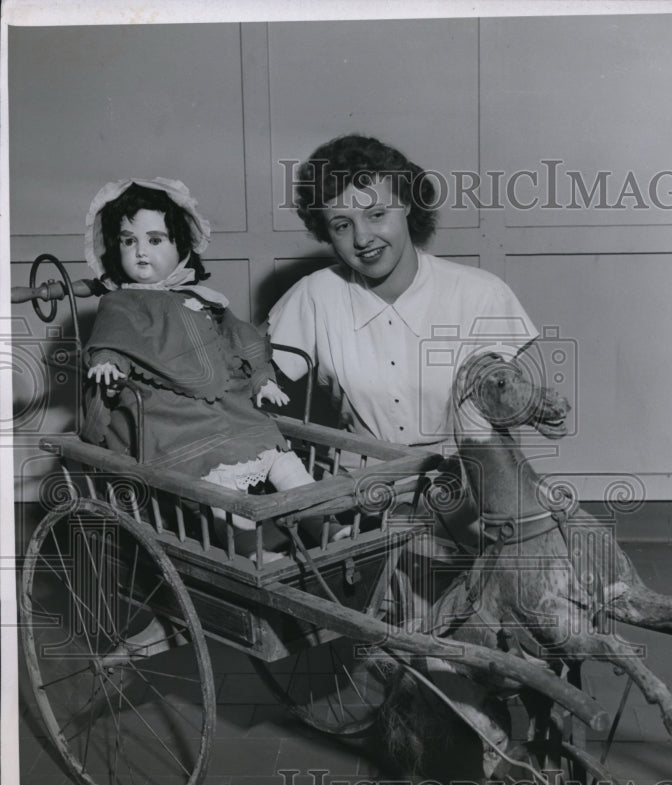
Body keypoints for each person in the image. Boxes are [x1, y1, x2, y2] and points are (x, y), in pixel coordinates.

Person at [83, 177, 326, 546]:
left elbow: (243, 338)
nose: (140, 252)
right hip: (170, 414)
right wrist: (107, 362)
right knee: (216, 475)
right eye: (128, 241)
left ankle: (323, 524)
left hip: (228, 406)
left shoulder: (201, 298)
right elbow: (112, 340)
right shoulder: (121, 303)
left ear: (181, 245)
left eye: (154, 239)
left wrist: (263, 378)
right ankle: (249, 547)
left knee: (278, 453)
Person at [268, 134, 541, 451]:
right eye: (342, 225)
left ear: (408, 204)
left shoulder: (481, 294)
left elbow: (506, 411)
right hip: (358, 477)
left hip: (464, 470)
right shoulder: (315, 294)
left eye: (377, 215)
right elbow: (246, 378)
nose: (362, 239)